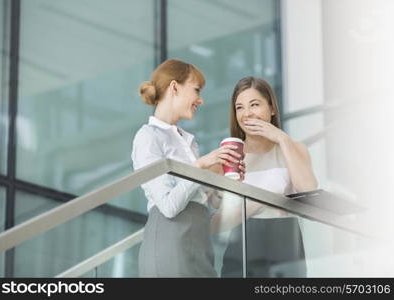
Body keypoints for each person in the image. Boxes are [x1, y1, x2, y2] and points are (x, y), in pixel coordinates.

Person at [131, 59, 245, 277]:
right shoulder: (148, 136)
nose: (200, 100)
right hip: (170, 241)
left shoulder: (188, 141)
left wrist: (222, 182)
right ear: (174, 87)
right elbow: (168, 206)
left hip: (199, 240)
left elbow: (203, 202)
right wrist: (201, 165)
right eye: (197, 90)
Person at [220, 77, 318, 277]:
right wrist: (263, 201)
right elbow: (219, 219)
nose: (247, 113)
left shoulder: (294, 148)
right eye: (239, 107)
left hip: (284, 242)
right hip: (241, 246)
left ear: (272, 108)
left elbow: (308, 190)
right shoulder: (230, 155)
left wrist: (281, 138)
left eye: (254, 104)